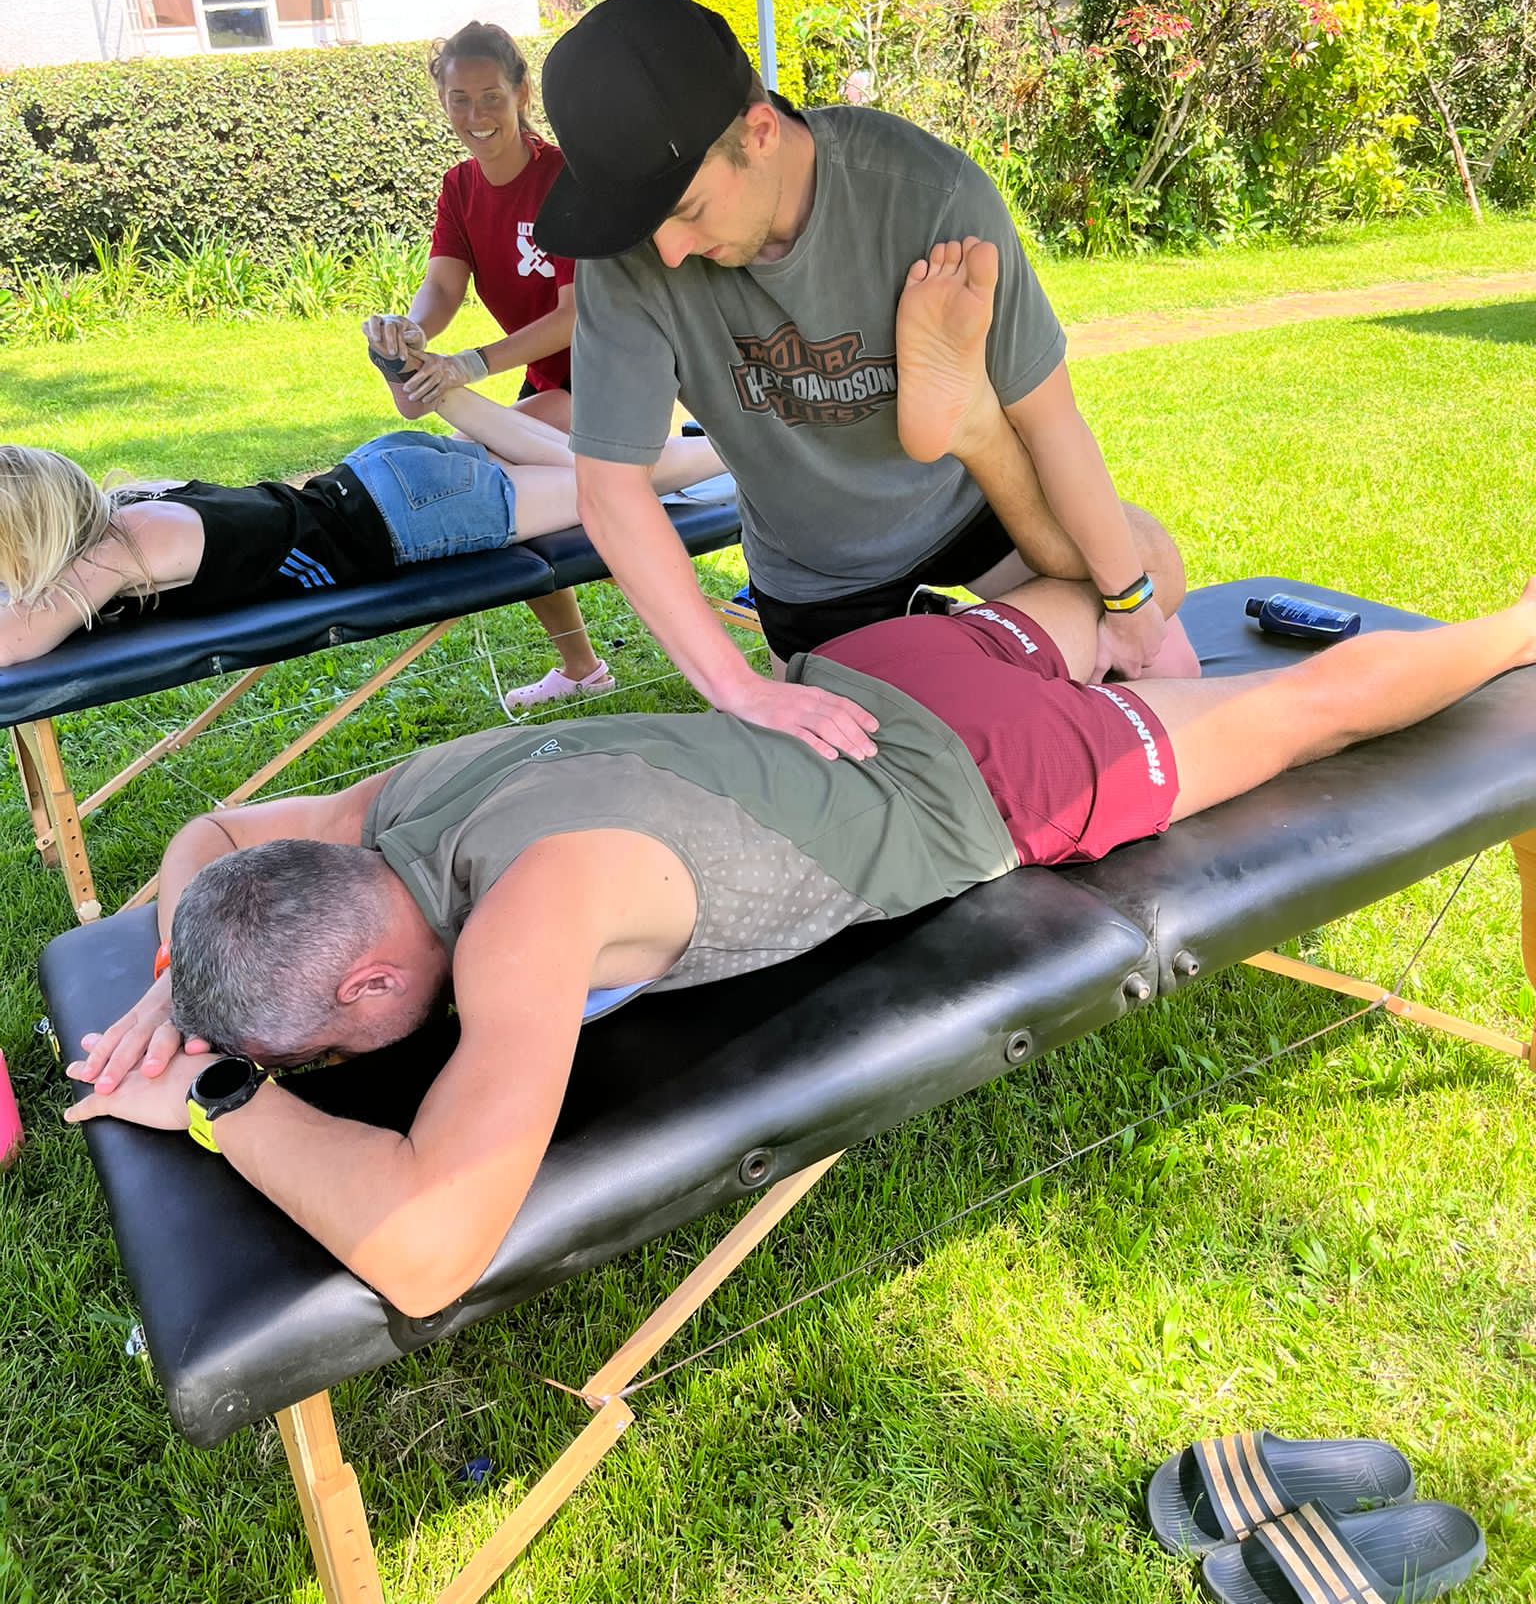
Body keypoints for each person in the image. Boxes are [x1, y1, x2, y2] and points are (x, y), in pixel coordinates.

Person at [65, 246, 1536, 1318]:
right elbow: (213, 830)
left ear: (375, 996)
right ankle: (1086, 576)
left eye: (331, 1050)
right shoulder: (383, 812)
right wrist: (173, 970)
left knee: (1318, 710)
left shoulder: (528, 920)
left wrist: (222, 1095)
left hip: (989, 775)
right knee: (1116, 553)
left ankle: (1517, 628)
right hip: (886, 676)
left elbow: (431, 1243)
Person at [533, 0, 1196, 765]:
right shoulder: (631, 256)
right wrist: (738, 689)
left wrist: (1126, 600)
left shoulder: (929, 198)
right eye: (648, 229)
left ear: (758, 134)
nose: (669, 254)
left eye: (687, 210)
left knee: (1168, 691)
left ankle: (970, 426)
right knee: (869, 786)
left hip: (971, 509)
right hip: (815, 569)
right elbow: (609, 489)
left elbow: (1051, 420)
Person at [0, 402, 721, 681]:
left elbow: (16, 639)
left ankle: (744, 443)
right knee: (586, 464)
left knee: (619, 483)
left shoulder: (119, 547)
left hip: (411, 512)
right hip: (381, 477)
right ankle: (724, 439)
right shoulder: (131, 504)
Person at [363, 20, 608, 709]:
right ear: (441, 101)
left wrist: (469, 364)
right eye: (459, 99)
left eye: (491, 97)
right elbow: (443, 286)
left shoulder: (566, 178)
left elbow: (575, 314)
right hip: (548, 379)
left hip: (614, 374)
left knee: (478, 469)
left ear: (522, 92)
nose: (476, 115)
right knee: (486, 473)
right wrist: (411, 327)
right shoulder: (460, 187)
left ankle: (602, 657)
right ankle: (583, 668)